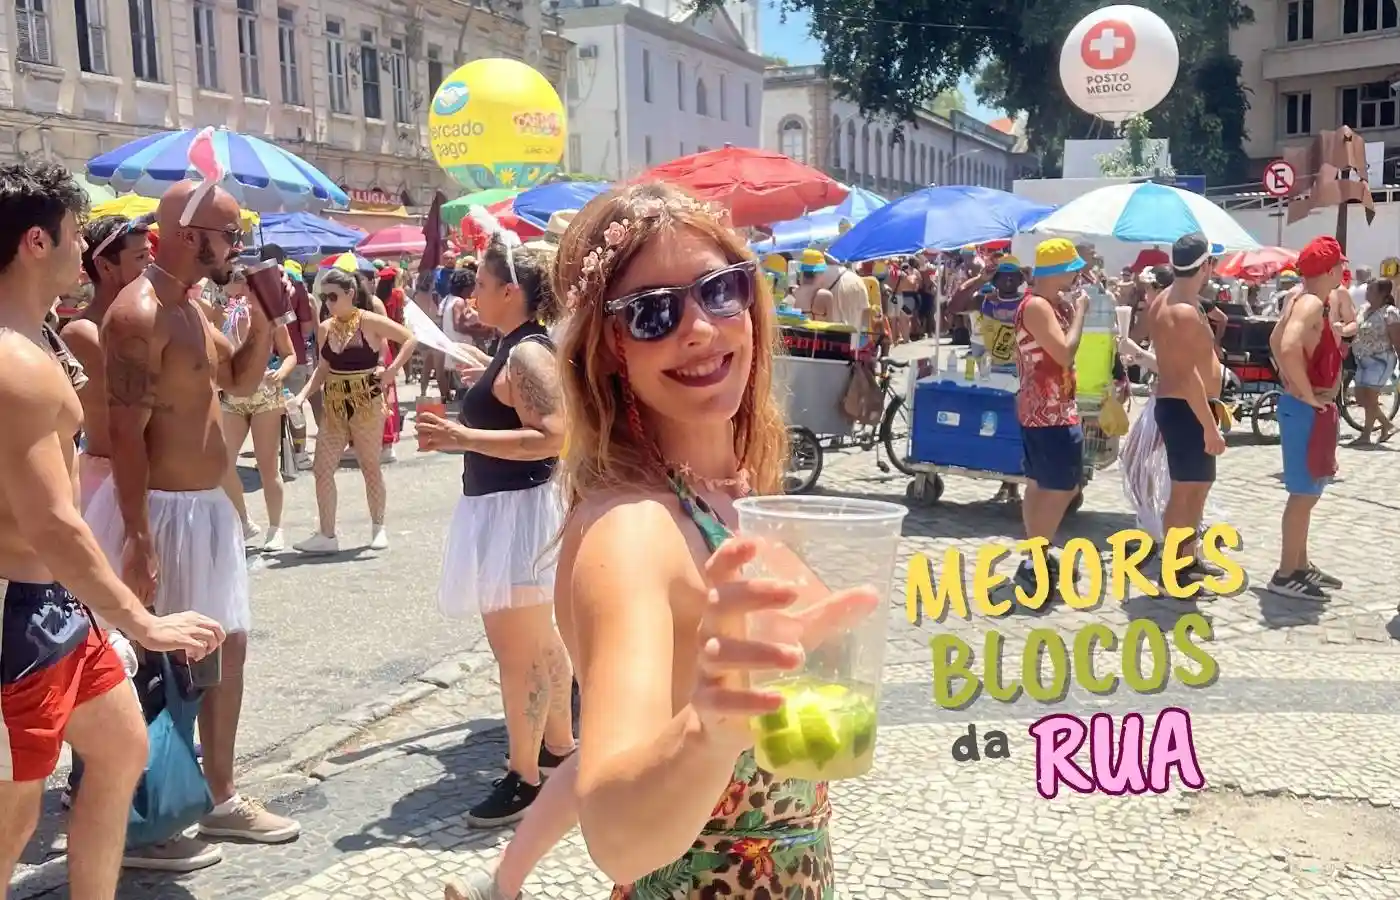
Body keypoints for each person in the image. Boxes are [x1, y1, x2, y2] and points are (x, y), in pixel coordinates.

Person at [443, 182, 876, 900]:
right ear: (610, 348)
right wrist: (707, 731)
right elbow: (616, 836)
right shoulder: (634, 530)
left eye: (720, 290)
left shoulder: (736, 494)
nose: (699, 327)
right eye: (652, 312)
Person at [0, 161, 225, 893]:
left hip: (58, 607)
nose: (85, 249)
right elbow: (53, 523)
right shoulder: (14, 361)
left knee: (123, 747)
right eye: (75, 235)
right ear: (36, 242)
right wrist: (143, 622)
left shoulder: (41, 338)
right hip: (16, 614)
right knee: (12, 816)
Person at [85, 179, 301, 868]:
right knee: (154, 665)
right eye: (228, 234)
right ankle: (147, 815)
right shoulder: (138, 313)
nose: (237, 246)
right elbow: (125, 435)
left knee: (223, 652)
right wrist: (139, 539)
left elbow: (239, 383)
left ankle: (216, 795)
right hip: (161, 511)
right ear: (186, 235)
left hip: (203, 508)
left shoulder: (192, 305)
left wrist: (265, 319)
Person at [418, 236, 576, 830]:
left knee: (518, 654)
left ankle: (524, 776)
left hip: (518, 513)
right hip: (511, 510)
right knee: (538, 643)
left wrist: (463, 437)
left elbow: (552, 436)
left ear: (511, 292)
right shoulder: (517, 348)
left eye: (481, 285)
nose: (472, 295)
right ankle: (558, 750)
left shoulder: (527, 353)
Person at [288, 267, 416, 554]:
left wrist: (391, 371)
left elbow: (410, 338)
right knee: (322, 468)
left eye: (333, 296)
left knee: (369, 465)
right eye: (324, 297)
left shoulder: (369, 320)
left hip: (366, 402)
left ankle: (378, 526)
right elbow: (322, 369)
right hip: (335, 403)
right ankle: (327, 534)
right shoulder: (325, 327)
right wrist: (302, 395)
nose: (328, 303)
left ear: (350, 294)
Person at [1268, 236, 1347, 601]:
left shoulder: (1300, 298)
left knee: (1309, 492)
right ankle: (1286, 574)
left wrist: (1293, 383)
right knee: (1302, 496)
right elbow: (1285, 346)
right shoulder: (1312, 302)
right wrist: (1307, 393)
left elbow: (1275, 340)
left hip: (1303, 407)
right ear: (1331, 270)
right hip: (1305, 409)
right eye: (1339, 265)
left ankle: (1299, 564)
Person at [1145, 233, 1228, 583]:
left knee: (1195, 488)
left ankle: (1186, 558)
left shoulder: (1173, 299)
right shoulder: (1181, 309)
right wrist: (1209, 426)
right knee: (1185, 492)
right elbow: (1187, 376)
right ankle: (1174, 570)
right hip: (1186, 407)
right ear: (1205, 265)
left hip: (1184, 405)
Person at [1011, 239, 1089, 597]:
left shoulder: (1051, 304)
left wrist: (1071, 309)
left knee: (1041, 484)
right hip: (1049, 411)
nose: (1077, 276)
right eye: (1072, 270)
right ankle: (1035, 559)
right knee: (1062, 487)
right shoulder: (1038, 306)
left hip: (1048, 406)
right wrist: (1082, 312)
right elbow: (1064, 353)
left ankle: (1036, 554)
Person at [62, 215, 154, 511]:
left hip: (151, 479)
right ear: (105, 266)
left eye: (150, 254)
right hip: (110, 486)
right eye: (140, 257)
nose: (151, 264)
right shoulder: (83, 332)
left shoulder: (151, 318)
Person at [212, 268, 297, 551]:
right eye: (237, 282)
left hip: (266, 396)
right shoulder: (225, 313)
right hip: (232, 397)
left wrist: (281, 373)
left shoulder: (271, 316)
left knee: (267, 466)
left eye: (245, 284)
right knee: (223, 462)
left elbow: (290, 354)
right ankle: (244, 520)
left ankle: (276, 528)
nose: (240, 288)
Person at [261, 245, 318, 468]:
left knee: (268, 410)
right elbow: (306, 326)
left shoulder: (257, 287)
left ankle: (272, 456)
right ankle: (300, 454)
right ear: (283, 260)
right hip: (295, 355)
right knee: (294, 406)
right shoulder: (297, 285)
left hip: (265, 359)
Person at [1349, 277, 1399, 443]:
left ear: (1382, 293)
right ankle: (1387, 425)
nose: (1367, 292)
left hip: (1380, 360)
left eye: (1371, 289)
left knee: (1370, 398)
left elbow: (1397, 340)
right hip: (1362, 359)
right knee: (1360, 397)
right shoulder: (1364, 309)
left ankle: (1366, 436)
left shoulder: (1389, 313)